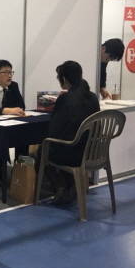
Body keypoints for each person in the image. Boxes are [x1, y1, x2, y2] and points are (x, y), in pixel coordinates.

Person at [41, 60, 100, 205]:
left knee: (42, 152)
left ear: (64, 79)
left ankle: (61, 187)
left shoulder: (65, 99)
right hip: (93, 151)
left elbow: (54, 130)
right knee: (60, 145)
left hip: (73, 154)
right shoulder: (93, 97)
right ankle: (71, 186)